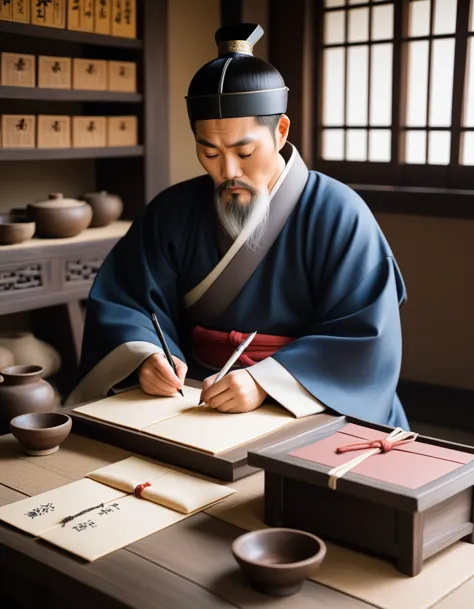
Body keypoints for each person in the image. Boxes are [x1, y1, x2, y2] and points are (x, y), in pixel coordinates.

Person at [66, 23, 409, 429]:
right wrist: (145, 357)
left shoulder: (340, 215)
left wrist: (268, 382)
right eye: (208, 152)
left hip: (307, 404)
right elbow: (127, 300)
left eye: (244, 152)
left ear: (280, 131)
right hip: (195, 398)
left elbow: (364, 337)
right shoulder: (172, 211)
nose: (227, 171)